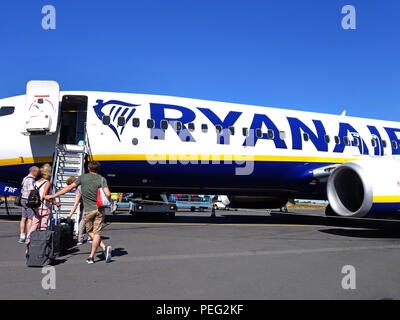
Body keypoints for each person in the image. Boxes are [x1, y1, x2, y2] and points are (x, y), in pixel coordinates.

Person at [46, 161, 112, 264]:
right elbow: (108, 193)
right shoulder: (101, 179)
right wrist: (106, 200)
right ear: (98, 169)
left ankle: (99, 251)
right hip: (100, 209)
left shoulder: (82, 178)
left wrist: (53, 196)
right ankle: (95, 254)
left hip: (88, 209)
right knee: (97, 232)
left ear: (89, 168)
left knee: (89, 231)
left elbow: (68, 188)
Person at [26, 164, 60, 243]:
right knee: (43, 225)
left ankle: (29, 240)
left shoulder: (36, 182)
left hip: (37, 206)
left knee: (34, 224)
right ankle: (41, 242)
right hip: (44, 206)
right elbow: (45, 196)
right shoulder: (47, 182)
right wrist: (55, 202)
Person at [65, 176, 91, 245]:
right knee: (90, 220)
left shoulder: (78, 189)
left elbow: (76, 204)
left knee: (82, 221)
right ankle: (90, 238)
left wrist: (69, 215)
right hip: (93, 204)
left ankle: (80, 239)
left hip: (87, 205)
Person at [18, 166, 39, 243]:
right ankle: (28, 237)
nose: (38, 173)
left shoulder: (25, 178)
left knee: (23, 218)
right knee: (30, 219)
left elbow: (22, 189)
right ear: (33, 171)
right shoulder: (31, 180)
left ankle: (22, 236)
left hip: (23, 199)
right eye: (37, 172)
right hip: (28, 201)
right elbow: (31, 191)